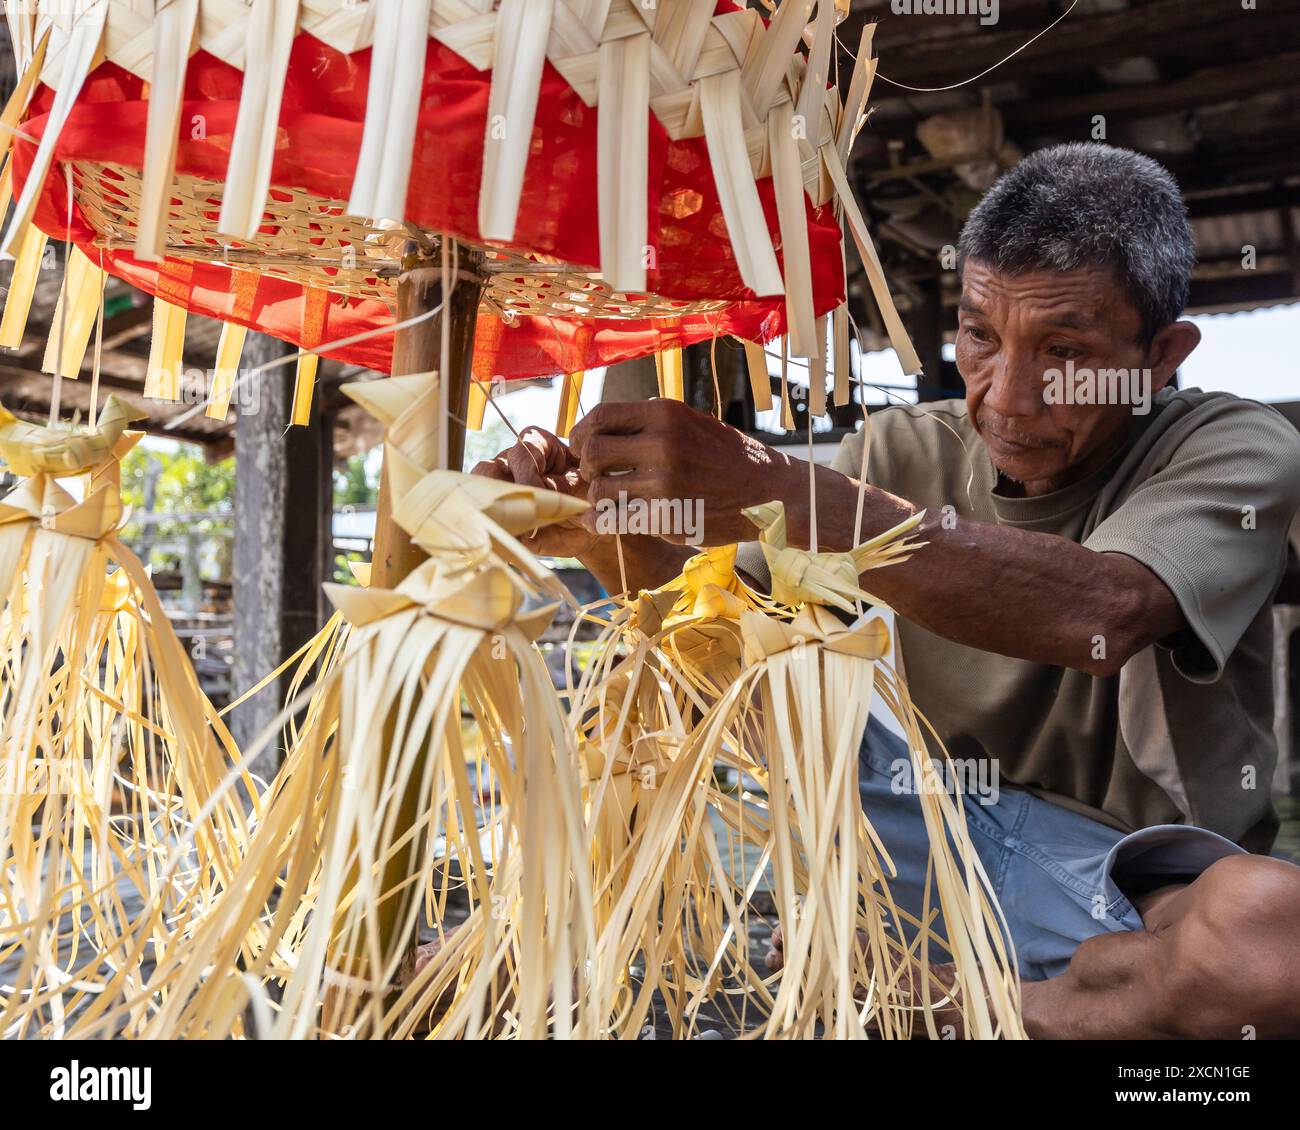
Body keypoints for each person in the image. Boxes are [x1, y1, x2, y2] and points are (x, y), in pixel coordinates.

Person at [472, 143, 1300, 1038]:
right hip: (916, 836)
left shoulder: (1233, 448)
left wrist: (779, 488)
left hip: (1119, 889)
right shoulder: (897, 456)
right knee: (780, 676)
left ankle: (946, 1001)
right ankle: (1080, 1004)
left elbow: (1103, 610)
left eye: (1064, 352)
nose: (1006, 399)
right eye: (980, 335)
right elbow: (726, 675)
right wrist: (604, 542)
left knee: (1267, 940)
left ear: (1160, 354)